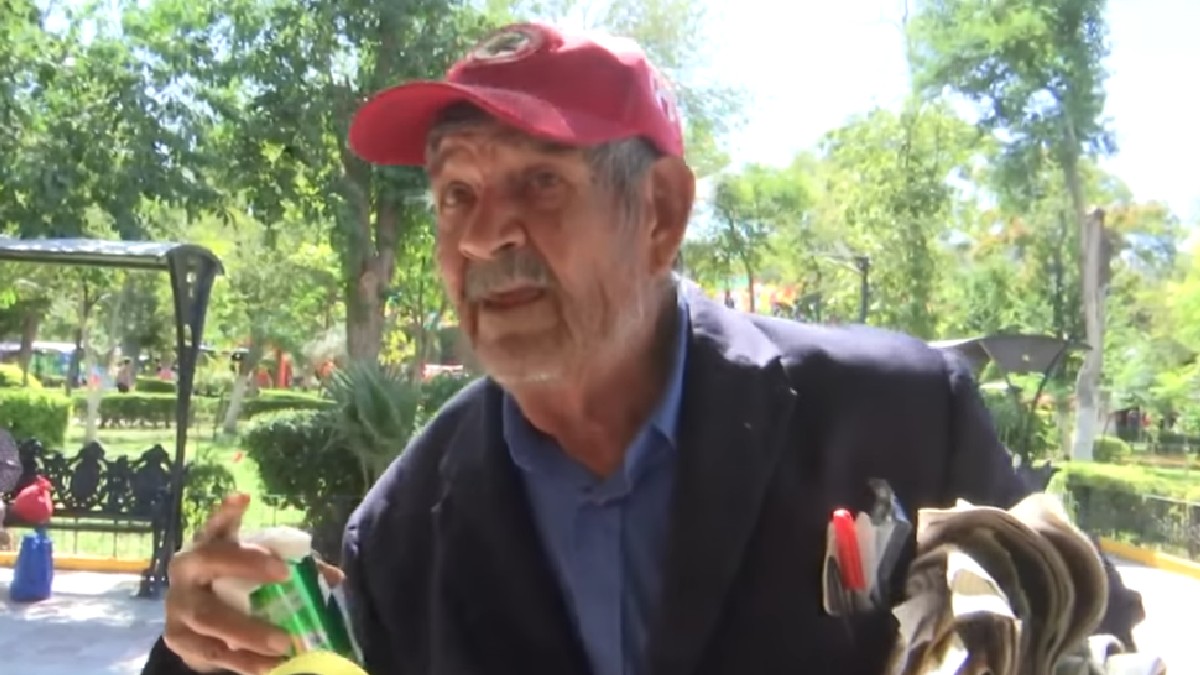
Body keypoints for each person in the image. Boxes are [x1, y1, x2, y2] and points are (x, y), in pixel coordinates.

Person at [140, 22, 1143, 675]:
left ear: (659, 212)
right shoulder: (404, 526)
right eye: (456, 193)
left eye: (541, 183)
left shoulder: (898, 413)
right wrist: (198, 652)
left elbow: (1097, 631)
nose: (486, 234)